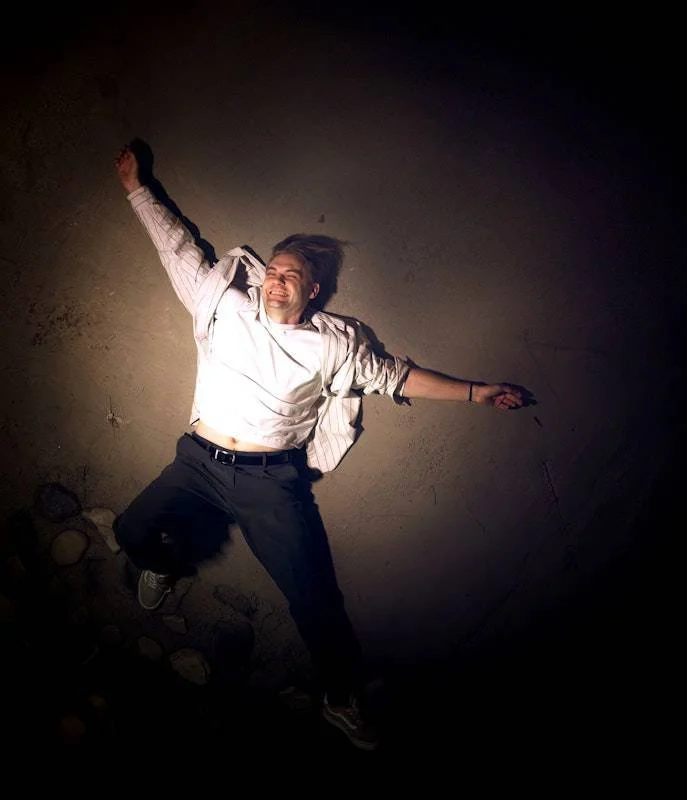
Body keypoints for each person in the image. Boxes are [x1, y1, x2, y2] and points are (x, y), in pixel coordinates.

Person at [112, 143, 526, 751]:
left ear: (312, 292)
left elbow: (394, 377)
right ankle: (167, 564)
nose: (277, 281)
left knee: (314, 597)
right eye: (273, 271)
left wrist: (476, 393)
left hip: (268, 482)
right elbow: (178, 251)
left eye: (292, 277)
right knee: (130, 532)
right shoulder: (226, 306)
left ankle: (339, 698)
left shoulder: (335, 346)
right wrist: (136, 188)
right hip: (196, 462)